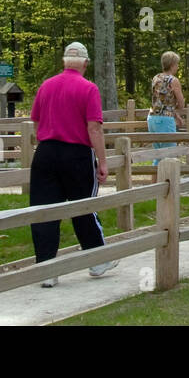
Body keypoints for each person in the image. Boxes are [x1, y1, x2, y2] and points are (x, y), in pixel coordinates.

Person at [28, 41, 117, 286]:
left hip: (45, 153)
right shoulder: (89, 89)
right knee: (83, 206)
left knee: (44, 210)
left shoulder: (46, 86)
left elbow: (35, 122)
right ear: (85, 64)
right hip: (77, 153)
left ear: (64, 62)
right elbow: (94, 128)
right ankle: (97, 259)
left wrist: (46, 140)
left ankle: (46, 269)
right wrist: (103, 161)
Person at [148, 51, 185, 150]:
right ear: (172, 65)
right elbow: (181, 104)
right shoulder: (173, 81)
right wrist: (177, 109)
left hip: (152, 117)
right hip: (165, 119)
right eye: (177, 64)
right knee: (169, 153)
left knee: (158, 153)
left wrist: (176, 115)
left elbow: (160, 102)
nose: (178, 67)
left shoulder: (156, 78)